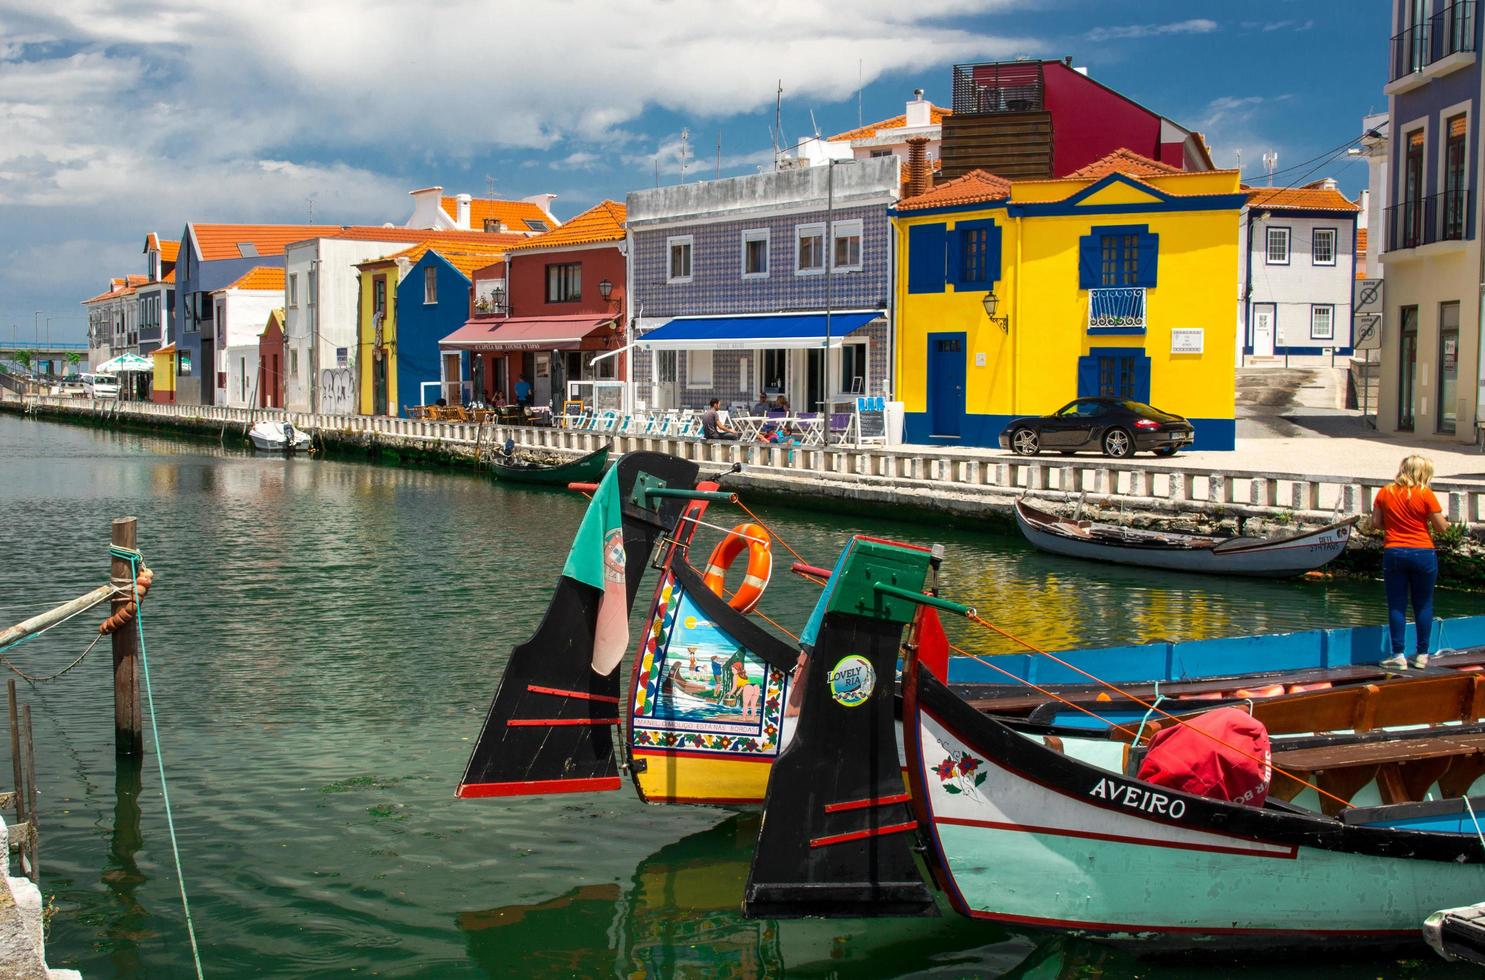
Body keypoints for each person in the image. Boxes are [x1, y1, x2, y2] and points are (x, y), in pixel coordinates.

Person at [1371, 454, 1450, 670]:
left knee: (1397, 604)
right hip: (1423, 553)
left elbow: (1376, 523)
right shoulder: (1426, 494)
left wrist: (1397, 525)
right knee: (1423, 604)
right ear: (1424, 472)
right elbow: (1441, 527)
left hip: (1394, 551)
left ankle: (1398, 655)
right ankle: (1422, 655)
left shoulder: (1385, 492)